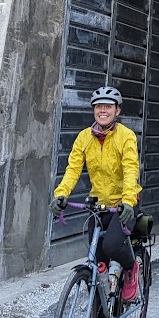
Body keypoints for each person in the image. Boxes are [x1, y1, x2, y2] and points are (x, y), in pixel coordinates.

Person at [53, 86, 143, 303]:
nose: (103, 110)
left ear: (117, 111)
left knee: (111, 245)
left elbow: (131, 168)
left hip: (124, 205)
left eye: (108, 107)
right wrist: (61, 193)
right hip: (99, 205)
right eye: (99, 106)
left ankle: (132, 268)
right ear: (94, 110)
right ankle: (102, 303)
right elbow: (73, 169)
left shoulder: (126, 136)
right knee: (96, 259)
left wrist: (128, 200)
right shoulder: (84, 137)